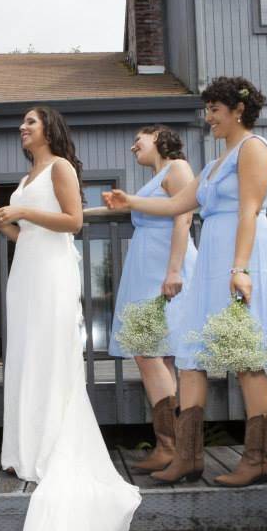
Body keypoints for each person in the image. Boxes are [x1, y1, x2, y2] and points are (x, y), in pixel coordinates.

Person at [103, 77, 267, 487]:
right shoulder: (216, 163)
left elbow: (249, 211)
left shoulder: (254, 149)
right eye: (206, 111)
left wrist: (239, 269)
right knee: (190, 351)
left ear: (238, 110)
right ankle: (188, 456)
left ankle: (257, 459)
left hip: (243, 253)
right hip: (212, 260)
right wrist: (129, 201)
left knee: (243, 353)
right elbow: (174, 204)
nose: (208, 119)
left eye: (214, 111)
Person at [0, 105, 141, 531]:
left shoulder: (61, 167)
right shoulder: (29, 172)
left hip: (53, 273)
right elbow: (23, 233)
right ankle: (26, 450)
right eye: (21, 124)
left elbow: (73, 222)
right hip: (25, 270)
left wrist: (25, 210)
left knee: (52, 356)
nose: (22, 128)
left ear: (48, 128)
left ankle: (51, 446)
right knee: (27, 358)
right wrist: (0, 224)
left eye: (30, 122)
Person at [107, 125, 197, 475]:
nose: (133, 147)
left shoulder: (178, 168)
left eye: (137, 140)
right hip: (146, 267)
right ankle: (174, 449)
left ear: (159, 139)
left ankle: (171, 446)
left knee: (146, 351)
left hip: (165, 266)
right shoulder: (155, 178)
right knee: (161, 354)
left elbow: (183, 216)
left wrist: (174, 271)